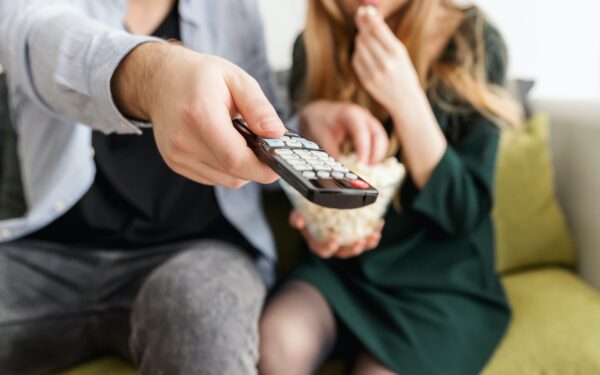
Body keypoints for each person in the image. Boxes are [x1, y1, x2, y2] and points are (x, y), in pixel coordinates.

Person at [0, 1, 388, 374]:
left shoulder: (233, 7)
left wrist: (304, 124)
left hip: (201, 252)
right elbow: (42, 40)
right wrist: (157, 78)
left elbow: (258, 126)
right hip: (51, 255)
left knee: (204, 316)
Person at [259, 0, 522, 374]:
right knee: (275, 344)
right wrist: (320, 224)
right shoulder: (314, 46)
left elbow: (464, 213)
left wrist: (406, 99)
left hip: (441, 285)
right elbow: (315, 192)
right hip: (343, 273)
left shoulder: (472, 39)